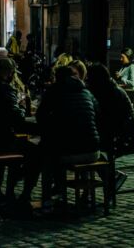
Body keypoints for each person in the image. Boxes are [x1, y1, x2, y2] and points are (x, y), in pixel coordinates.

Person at [0, 58, 40, 216]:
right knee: (35, 153)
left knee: (15, 148)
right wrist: (23, 110)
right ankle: (21, 195)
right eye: (11, 73)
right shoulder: (5, 90)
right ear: (7, 73)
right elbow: (17, 119)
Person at [37, 66, 101, 201]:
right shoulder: (86, 92)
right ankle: (86, 194)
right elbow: (98, 114)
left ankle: (48, 199)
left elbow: (40, 116)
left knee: (48, 158)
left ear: (58, 78)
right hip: (93, 150)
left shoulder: (54, 91)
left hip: (69, 151)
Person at [87, 64, 134, 191]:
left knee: (94, 149)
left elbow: (109, 121)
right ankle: (109, 180)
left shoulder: (110, 92)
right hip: (119, 132)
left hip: (123, 136)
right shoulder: (108, 89)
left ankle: (108, 182)